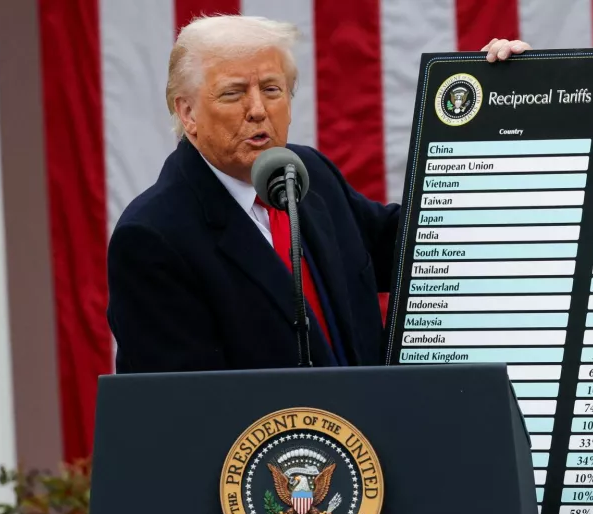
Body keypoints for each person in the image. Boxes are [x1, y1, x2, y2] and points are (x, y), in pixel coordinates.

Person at [106, 15, 530, 373]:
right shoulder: (153, 237)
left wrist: (497, 107)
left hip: (376, 448)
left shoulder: (307, 174)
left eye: (271, 90)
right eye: (234, 93)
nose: (257, 109)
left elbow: (415, 246)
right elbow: (182, 414)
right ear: (187, 113)